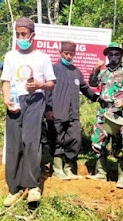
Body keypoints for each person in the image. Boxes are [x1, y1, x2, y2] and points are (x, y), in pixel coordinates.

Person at [1, 17, 56, 207]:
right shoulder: (10, 56)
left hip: (35, 101)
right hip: (16, 101)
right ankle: (13, 188)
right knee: (14, 144)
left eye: (23, 34)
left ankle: (33, 186)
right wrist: (6, 100)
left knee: (31, 141)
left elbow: (51, 83)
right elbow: (6, 81)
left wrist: (40, 84)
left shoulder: (42, 57)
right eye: (17, 34)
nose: (20, 38)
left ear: (32, 35)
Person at [85, 42, 123, 189]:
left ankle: (121, 177)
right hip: (103, 111)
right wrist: (95, 69)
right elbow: (92, 83)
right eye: (111, 54)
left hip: (117, 112)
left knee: (118, 144)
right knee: (98, 141)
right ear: (107, 56)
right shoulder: (104, 72)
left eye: (116, 54)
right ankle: (101, 173)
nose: (113, 57)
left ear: (121, 55)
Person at [45, 41, 99, 180]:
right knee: (57, 140)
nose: (69, 56)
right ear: (61, 53)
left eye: (71, 54)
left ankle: (69, 169)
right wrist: (48, 109)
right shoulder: (54, 69)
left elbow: (85, 88)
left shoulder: (76, 71)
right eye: (66, 53)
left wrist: (98, 99)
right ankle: (57, 169)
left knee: (74, 140)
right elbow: (47, 92)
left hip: (73, 115)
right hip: (56, 113)